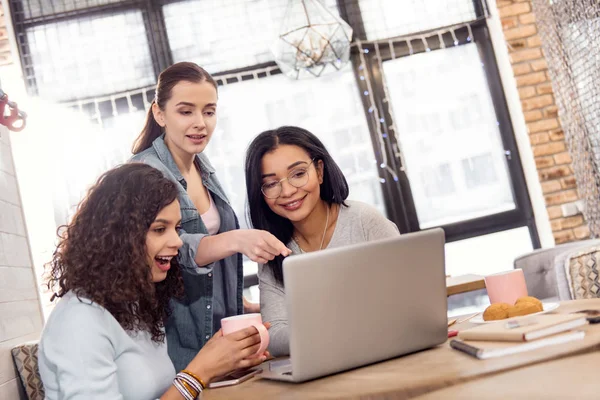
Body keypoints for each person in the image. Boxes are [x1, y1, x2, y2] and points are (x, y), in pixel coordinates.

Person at [38, 163, 268, 400]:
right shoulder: (80, 320)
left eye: (176, 228)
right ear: (119, 237)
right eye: (160, 229)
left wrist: (222, 362)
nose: (177, 242)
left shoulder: (135, 306)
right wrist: (199, 373)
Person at [130, 62, 291, 370]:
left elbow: (215, 271)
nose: (200, 123)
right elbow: (158, 250)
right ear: (159, 114)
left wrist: (246, 308)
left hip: (217, 339)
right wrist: (237, 239)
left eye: (209, 111)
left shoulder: (203, 167)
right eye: (186, 111)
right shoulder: (144, 173)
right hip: (177, 345)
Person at [244, 126, 400, 356]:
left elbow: (405, 304)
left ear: (319, 171)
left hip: (387, 353)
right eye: (271, 183)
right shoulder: (274, 250)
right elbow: (274, 334)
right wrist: (346, 330)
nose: (286, 191)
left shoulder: (365, 221)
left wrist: (318, 332)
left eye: (298, 174)